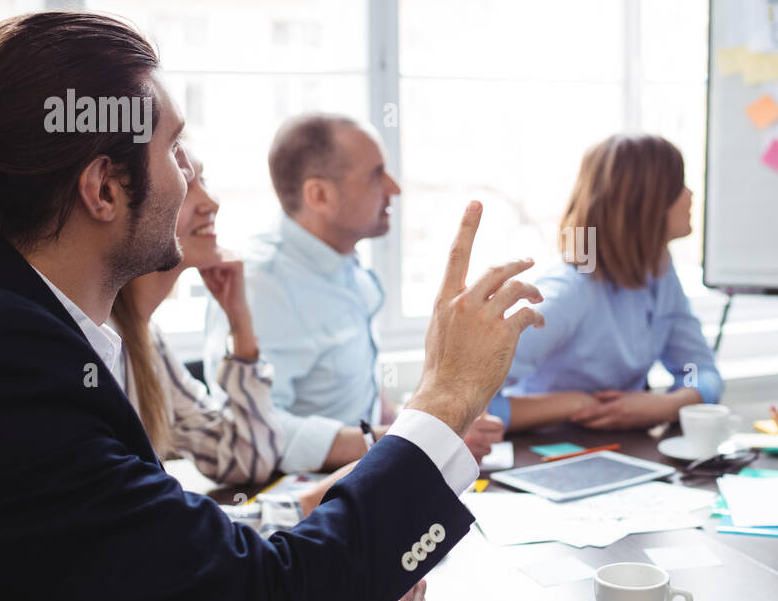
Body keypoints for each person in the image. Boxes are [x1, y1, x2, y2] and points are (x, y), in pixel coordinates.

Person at [0, 11, 544, 601]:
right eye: (176, 152)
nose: (191, 184)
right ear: (105, 188)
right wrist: (446, 395)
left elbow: (141, 557)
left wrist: (337, 584)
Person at [111, 151, 497, 488]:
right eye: (185, 178)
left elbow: (245, 459)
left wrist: (242, 330)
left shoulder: (148, 340)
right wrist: (407, 437)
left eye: (204, 180)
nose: (212, 201)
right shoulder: (103, 345)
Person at [203, 112, 503, 454]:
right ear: (319, 195)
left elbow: (354, 395)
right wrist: (406, 441)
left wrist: (420, 424)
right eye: (376, 175)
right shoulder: (261, 286)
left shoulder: (347, 265)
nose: (395, 188)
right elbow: (257, 433)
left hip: (363, 478)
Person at [487, 133, 722, 432]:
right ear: (645, 203)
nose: (690, 195)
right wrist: (574, 405)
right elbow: (470, 403)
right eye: (678, 185)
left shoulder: (659, 275)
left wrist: (669, 404)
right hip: (544, 454)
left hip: (618, 450)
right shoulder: (567, 293)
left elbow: (695, 369)